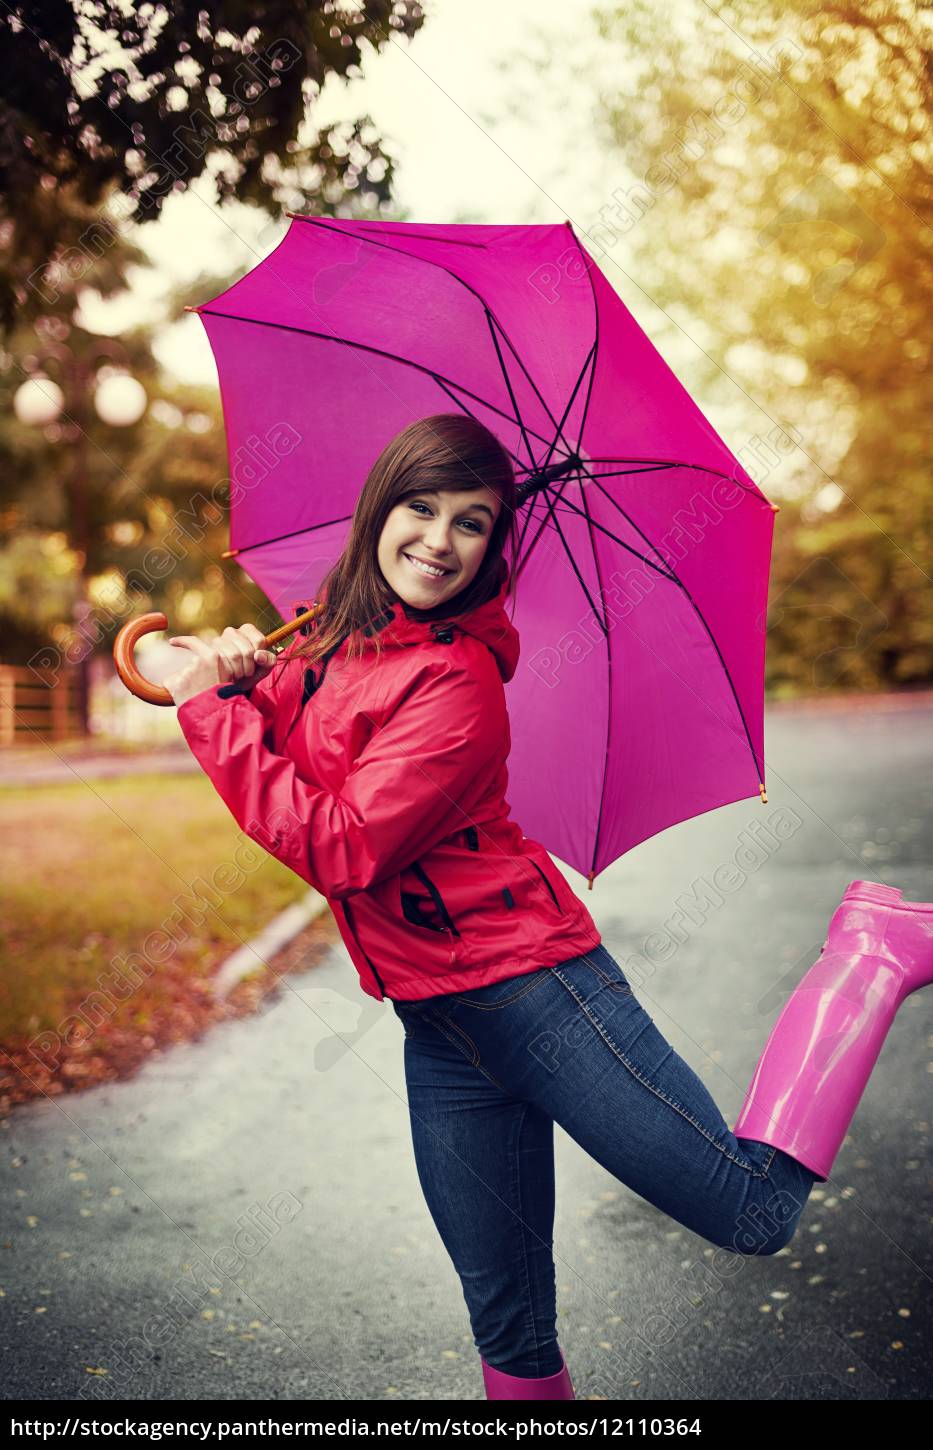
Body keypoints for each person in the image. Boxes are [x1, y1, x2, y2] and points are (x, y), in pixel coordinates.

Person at [166, 413, 933, 1402]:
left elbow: (341, 843)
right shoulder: (327, 645)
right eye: (423, 507)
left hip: (539, 998)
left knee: (752, 1213)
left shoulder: (458, 680)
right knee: (511, 1327)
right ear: (379, 510)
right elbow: (278, 739)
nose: (440, 540)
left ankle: (873, 956)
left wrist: (210, 715)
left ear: (495, 547)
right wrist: (226, 678)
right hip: (440, 1025)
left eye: (473, 523)